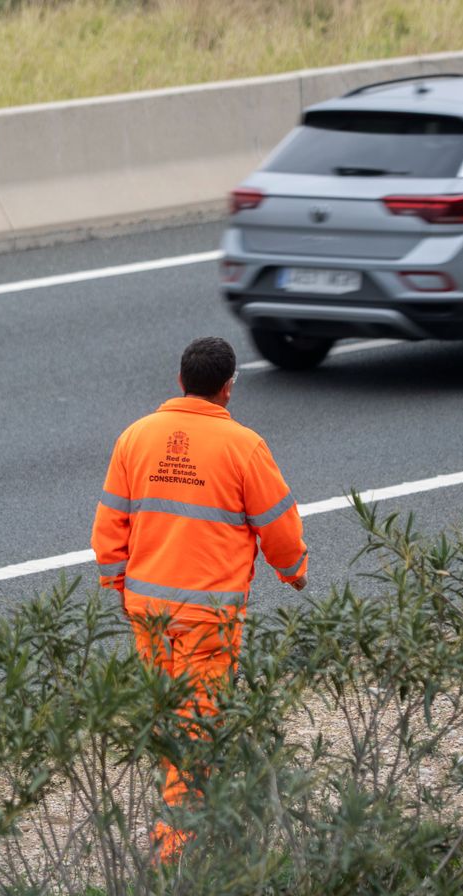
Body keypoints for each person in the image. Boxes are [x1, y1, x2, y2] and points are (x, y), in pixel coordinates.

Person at [90, 336, 309, 860]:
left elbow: (109, 526)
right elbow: (278, 525)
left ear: (180, 380)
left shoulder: (135, 437)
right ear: (228, 387)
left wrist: (118, 586)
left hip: (148, 614)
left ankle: (181, 827)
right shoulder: (243, 447)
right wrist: (293, 571)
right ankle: (177, 853)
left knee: (167, 718)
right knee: (196, 730)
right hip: (207, 617)